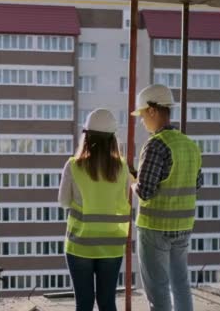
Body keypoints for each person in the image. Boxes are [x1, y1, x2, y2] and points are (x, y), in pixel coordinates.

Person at [129, 84, 202, 311]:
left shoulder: (155, 145)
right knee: (180, 283)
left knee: (158, 288)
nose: (142, 121)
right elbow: (196, 183)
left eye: (142, 115)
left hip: (155, 228)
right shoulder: (189, 145)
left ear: (152, 110)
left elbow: (145, 191)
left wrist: (132, 183)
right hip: (183, 226)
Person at [58, 108, 131, 311]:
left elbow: (63, 201)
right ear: (112, 139)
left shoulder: (73, 166)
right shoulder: (122, 167)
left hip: (81, 243)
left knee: (84, 303)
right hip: (111, 244)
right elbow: (124, 198)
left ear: (87, 136)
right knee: (107, 302)